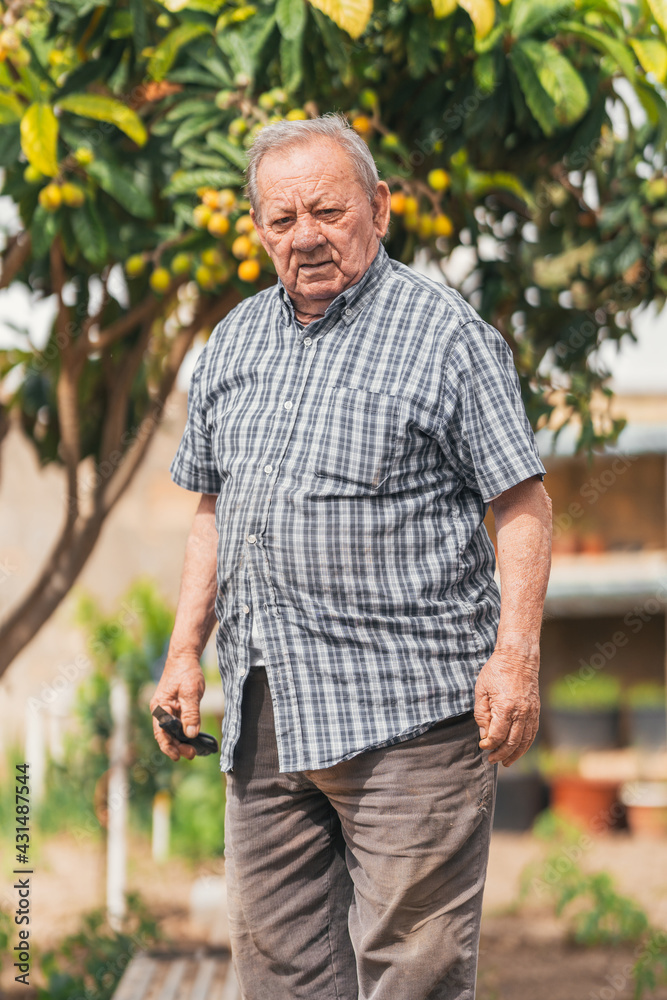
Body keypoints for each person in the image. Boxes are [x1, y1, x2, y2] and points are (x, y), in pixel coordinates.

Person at [151, 113, 552, 1000]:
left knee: (412, 973)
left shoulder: (443, 335)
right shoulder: (234, 342)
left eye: (328, 211)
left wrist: (516, 655)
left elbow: (521, 504)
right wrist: (184, 649)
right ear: (257, 230)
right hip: (268, 714)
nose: (307, 237)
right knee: (282, 972)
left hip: (406, 716)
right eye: (283, 219)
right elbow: (214, 509)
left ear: (377, 205)